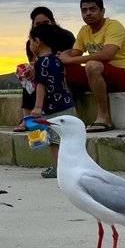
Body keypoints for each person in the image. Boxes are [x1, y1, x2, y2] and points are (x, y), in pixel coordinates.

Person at [59, 0, 125, 132]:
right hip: (100, 77)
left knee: (92, 65)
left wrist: (70, 59)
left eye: (93, 9)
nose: (88, 13)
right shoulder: (84, 30)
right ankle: (73, 117)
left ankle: (104, 118)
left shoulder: (113, 26)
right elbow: (74, 53)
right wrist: (60, 56)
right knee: (66, 70)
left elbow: (107, 55)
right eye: (84, 10)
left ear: (102, 11)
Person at [27, 24, 77, 178]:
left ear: (37, 42)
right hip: (67, 104)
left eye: (30, 41)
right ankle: (73, 166)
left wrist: (37, 107)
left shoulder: (41, 62)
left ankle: (58, 168)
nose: (30, 45)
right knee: (70, 139)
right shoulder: (57, 59)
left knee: (54, 141)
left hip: (54, 108)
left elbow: (41, 85)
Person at [15, 6, 76, 129]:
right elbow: (33, 62)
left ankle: (33, 116)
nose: (42, 27)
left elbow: (41, 84)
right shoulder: (40, 50)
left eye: (46, 23)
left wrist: (38, 107)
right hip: (66, 101)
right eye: (38, 24)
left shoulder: (65, 37)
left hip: (55, 100)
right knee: (28, 80)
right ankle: (26, 118)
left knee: (54, 133)